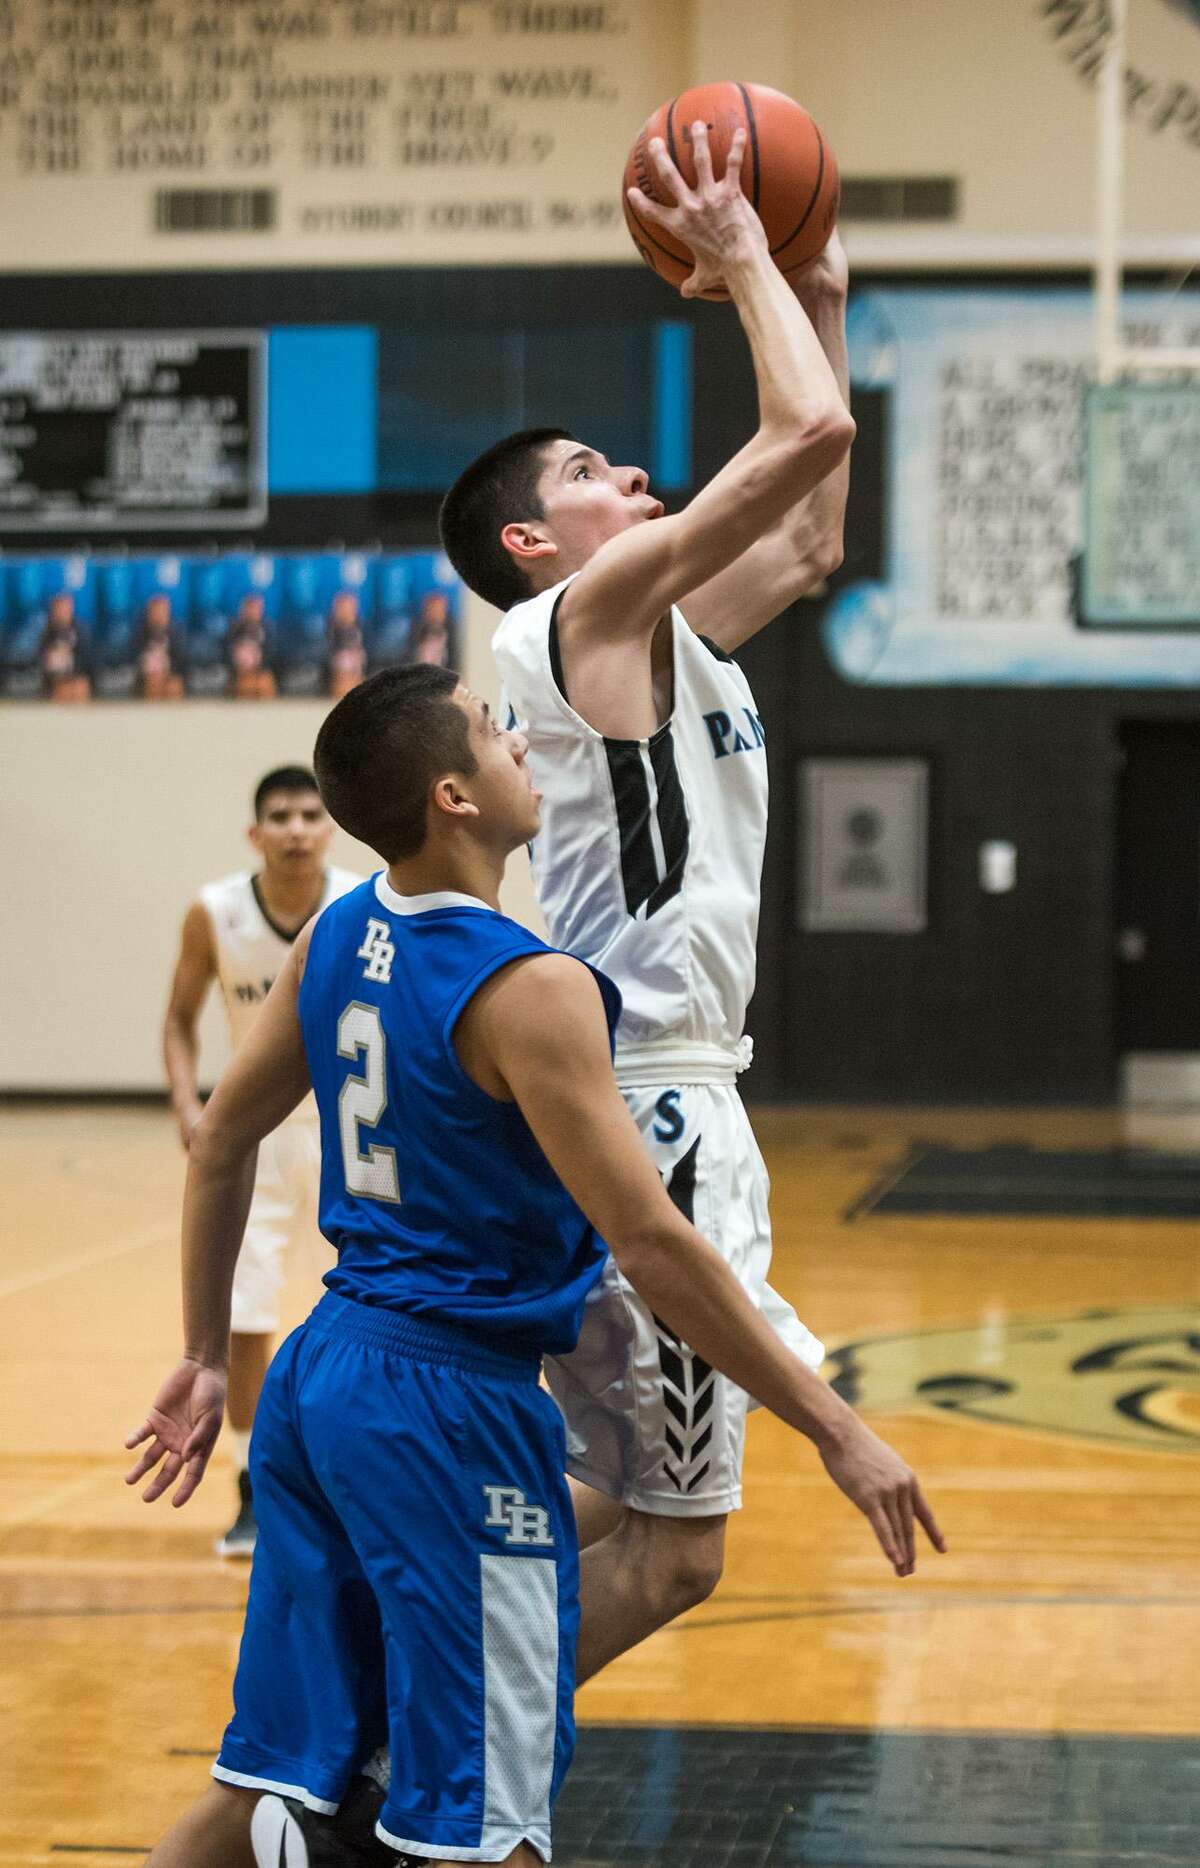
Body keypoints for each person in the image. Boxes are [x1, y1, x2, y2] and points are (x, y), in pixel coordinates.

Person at [125, 663, 942, 1868]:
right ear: (453, 795)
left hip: (322, 1376)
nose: (520, 740)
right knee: (489, 1823)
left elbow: (225, 1137)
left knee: (275, 1778)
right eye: (495, 730)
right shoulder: (532, 987)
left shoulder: (338, 930)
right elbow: (656, 1242)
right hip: (451, 1405)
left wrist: (203, 1355)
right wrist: (833, 1425)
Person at [437, 125, 857, 1681]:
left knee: (624, 1505)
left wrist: (819, 288)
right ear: (532, 547)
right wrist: (756, 258)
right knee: (679, 1552)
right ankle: (417, 1778)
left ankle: (398, 1686)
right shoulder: (573, 617)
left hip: (681, 1096)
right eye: (585, 474)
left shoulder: (663, 634)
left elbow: (812, 530)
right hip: (655, 1104)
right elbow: (803, 436)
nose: (627, 472)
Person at [162, 765, 361, 1556]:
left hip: (348, 1129)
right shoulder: (214, 912)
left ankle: (343, 1477)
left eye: (310, 813)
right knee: (242, 1319)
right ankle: (252, 1481)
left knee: (356, 1309)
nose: (295, 828)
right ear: (255, 833)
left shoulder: (359, 902)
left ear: (330, 827)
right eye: (278, 816)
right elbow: (178, 1020)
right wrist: (188, 1107)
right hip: (258, 1137)